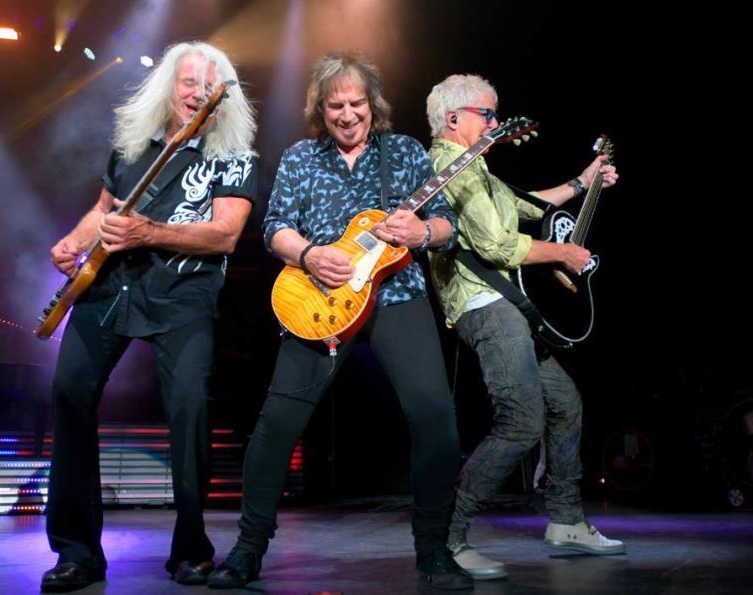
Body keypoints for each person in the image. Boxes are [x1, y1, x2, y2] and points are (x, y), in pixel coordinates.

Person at [207, 52, 472, 591]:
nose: (347, 115)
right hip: (320, 298)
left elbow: (450, 223)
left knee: (435, 419)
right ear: (319, 109)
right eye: (335, 106)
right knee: (277, 424)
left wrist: (425, 235)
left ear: (373, 105)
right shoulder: (301, 158)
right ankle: (247, 549)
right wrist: (309, 256)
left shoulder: (405, 153)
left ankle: (434, 551)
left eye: (356, 104)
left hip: (398, 295)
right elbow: (274, 227)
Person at [41, 41, 258, 592]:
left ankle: (191, 550)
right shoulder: (133, 146)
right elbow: (104, 211)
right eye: (189, 82)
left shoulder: (235, 155)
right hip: (111, 288)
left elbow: (227, 233)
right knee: (69, 391)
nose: (198, 93)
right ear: (169, 87)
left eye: (210, 86)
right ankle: (76, 552)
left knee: (188, 410)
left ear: (224, 95)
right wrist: (72, 241)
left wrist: (152, 233)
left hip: (184, 295)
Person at [425, 74, 624, 580]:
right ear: (455, 119)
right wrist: (562, 253)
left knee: (565, 402)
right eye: (487, 114)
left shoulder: (479, 168)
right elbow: (495, 246)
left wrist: (584, 182)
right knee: (520, 422)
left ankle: (566, 520)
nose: (495, 123)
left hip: (510, 303)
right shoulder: (451, 165)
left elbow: (526, 205)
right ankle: (449, 536)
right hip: (484, 305)